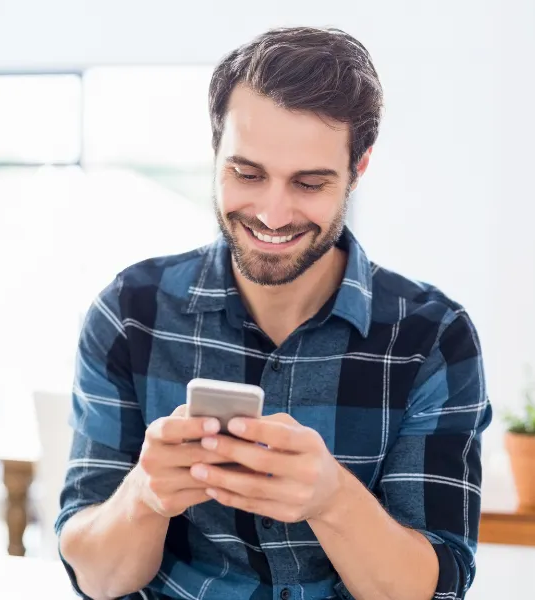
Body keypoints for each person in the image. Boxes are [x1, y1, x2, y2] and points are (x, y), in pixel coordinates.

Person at [56, 26, 492, 600]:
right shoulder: (131, 313)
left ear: (358, 168)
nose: (273, 214)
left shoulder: (432, 338)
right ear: (215, 152)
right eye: (248, 174)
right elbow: (96, 577)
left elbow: (430, 590)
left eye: (309, 183)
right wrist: (144, 495)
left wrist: (333, 500)